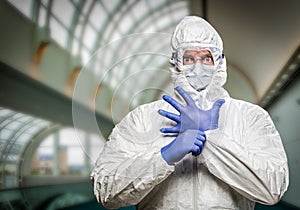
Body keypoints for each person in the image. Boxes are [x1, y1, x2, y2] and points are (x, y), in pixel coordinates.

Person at [91, 16, 289, 210]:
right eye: (188, 58)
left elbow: (272, 188)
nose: (198, 66)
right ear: (175, 63)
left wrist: (210, 141)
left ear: (220, 62)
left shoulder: (250, 117)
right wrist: (165, 156)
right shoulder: (143, 118)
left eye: (206, 58)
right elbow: (106, 190)